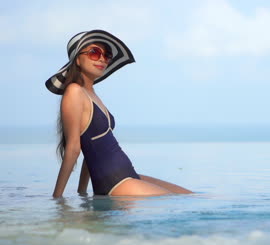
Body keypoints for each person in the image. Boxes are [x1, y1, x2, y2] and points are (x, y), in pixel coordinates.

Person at [46, 29, 193, 198]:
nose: (102, 58)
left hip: (127, 175)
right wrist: (57, 199)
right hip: (115, 182)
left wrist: (82, 192)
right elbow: (74, 148)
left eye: (106, 55)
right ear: (78, 59)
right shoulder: (74, 92)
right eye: (94, 53)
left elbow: (90, 145)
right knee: (180, 204)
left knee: (191, 196)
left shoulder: (91, 93)